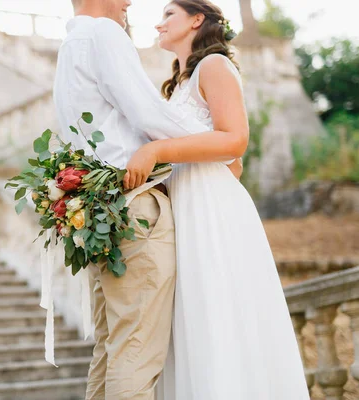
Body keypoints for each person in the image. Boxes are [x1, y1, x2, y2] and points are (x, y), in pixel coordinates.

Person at [53, 0, 242, 399]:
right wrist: (221, 147)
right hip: (134, 207)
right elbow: (147, 113)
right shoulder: (104, 34)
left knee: (110, 349)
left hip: (98, 210)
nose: (128, 3)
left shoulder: (70, 46)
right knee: (135, 350)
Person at [123, 1, 310, 399]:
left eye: (168, 15)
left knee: (217, 307)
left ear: (196, 20)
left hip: (210, 206)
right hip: (185, 202)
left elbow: (235, 140)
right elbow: (229, 158)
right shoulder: (178, 82)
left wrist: (157, 153)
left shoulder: (215, 66)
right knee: (191, 315)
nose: (158, 24)